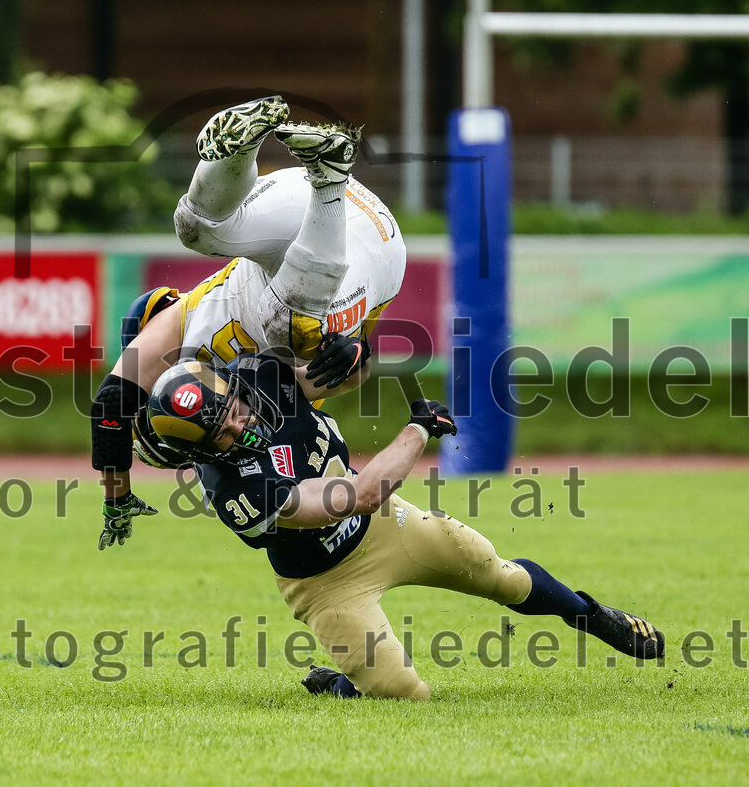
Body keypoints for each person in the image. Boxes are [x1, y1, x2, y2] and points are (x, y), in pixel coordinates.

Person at [126, 352, 664, 699]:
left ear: (232, 384)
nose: (240, 423)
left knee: (499, 574)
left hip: (387, 528)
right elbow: (360, 494)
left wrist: (352, 354)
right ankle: (344, 683)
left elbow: (341, 375)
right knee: (404, 693)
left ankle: (593, 616)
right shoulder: (235, 490)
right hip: (325, 581)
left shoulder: (260, 376)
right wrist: (417, 430)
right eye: (220, 431)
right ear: (200, 451)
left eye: (233, 407)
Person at [90, 96, 406, 542]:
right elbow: (340, 375)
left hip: (322, 227)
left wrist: (116, 497)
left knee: (196, 226)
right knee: (289, 323)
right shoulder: (247, 399)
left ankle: (251, 150)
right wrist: (356, 352)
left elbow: (111, 406)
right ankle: (328, 174)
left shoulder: (187, 336)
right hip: (350, 244)